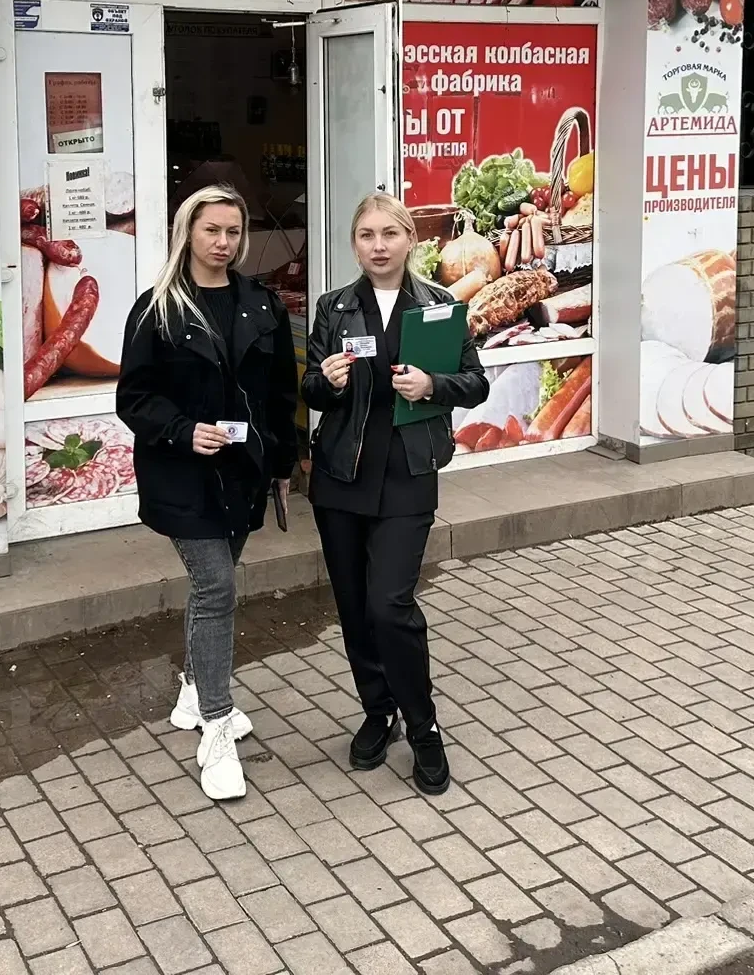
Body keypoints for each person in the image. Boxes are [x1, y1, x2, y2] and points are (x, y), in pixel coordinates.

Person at [117, 185, 298, 801]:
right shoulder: (157, 308)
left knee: (209, 589)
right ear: (187, 233)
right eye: (211, 231)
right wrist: (180, 430)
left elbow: (279, 392)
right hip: (182, 476)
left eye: (232, 232)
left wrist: (282, 462)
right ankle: (217, 728)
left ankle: (193, 690)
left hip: (243, 473)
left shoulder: (262, 304)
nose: (223, 243)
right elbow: (132, 400)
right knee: (217, 586)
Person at [303, 192, 488, 794]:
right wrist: (326, 383)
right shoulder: (333, 308)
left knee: (390, 604)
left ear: (411, 240)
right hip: (341, 478)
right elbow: (309, 387)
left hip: (409, 475)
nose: (377, 246)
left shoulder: (439, 305)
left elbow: (476, 383)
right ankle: (377, 711)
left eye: (389, 233)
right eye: (366, 235)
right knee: (356, 608)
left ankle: (423, 722)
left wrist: (434, 383)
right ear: (354, 243)